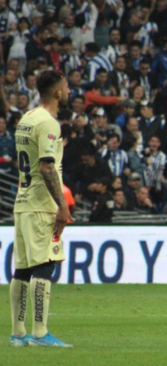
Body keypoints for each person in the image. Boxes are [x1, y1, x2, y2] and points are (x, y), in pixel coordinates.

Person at [11, 70, 73, 347]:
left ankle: (18, 333)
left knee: (22, 270)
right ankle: (39, 333)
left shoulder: (26, 119)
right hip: (41, 205)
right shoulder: (49, 123)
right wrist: (62, 204)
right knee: (45, 266)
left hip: (22, 203)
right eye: (67, 87)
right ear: (57, 92)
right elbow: (47, 166)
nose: (69, 91)